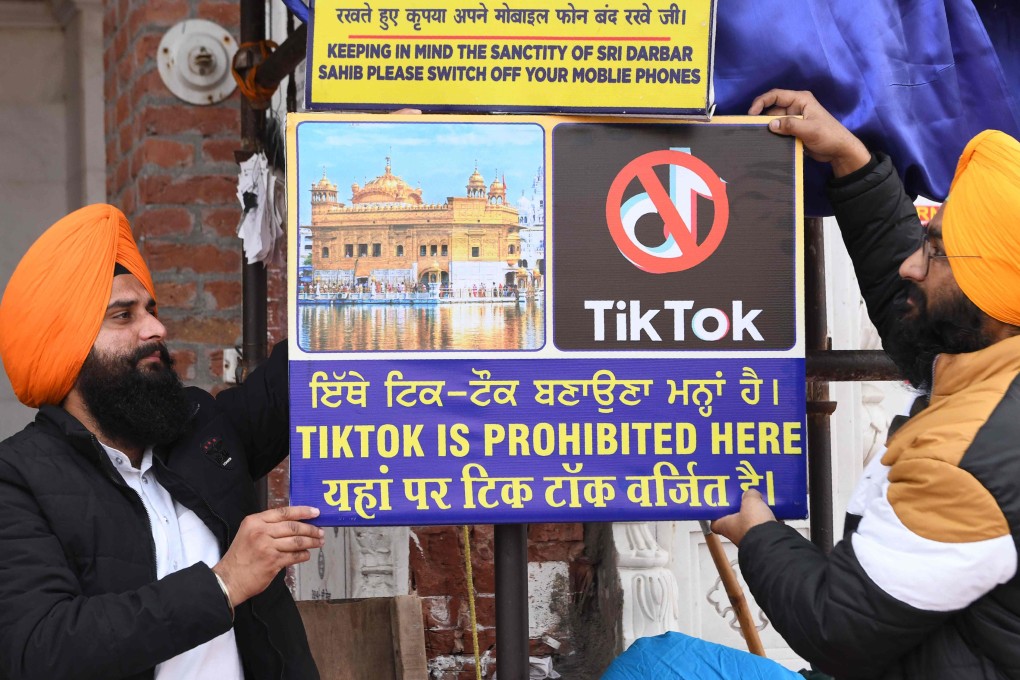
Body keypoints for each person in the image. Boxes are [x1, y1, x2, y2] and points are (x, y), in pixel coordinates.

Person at [606, 91, 1020, 680]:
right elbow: (912, 310)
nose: (911, 266)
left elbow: (839, 627)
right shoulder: (989, 354)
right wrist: (851, 161)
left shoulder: (967, 460)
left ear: (993, 295)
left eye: (935, 251)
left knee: (652, 671)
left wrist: (758, 533)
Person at [0, 205, 321, 679]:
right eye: (123, 316)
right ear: (69, 345)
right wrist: (225, 583)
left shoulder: (200, 428)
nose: (156, 329)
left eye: (151, 310)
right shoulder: (18, 479)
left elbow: (297, 375)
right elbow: (41, 648)